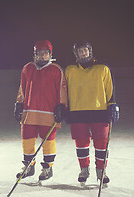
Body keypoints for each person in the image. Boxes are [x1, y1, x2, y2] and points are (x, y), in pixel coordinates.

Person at [65, 41, 119, 185]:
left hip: (99, 111)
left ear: (90, 51)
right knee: (81, 144)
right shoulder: (70, 70)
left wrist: (112, 105)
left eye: (85, 50)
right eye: (80, 51)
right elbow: (64, 91)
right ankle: (84, 169)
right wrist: (63, 106)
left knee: (101, 144)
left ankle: (101, 171)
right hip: (77, 111)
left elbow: (110, 89)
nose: (83, 53)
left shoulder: (103, 68)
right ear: (76, 54)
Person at [14, 40, 67, 181]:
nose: (42, 56)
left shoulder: (56, 70)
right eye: (39, 53)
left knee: (48, 141)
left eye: (45, 53)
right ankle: (28, 166)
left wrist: (62, 106)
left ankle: (47, 167)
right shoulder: (28, 68)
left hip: (49, 114)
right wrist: (19, 104)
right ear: (35, 54)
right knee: (27, 140)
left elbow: (62, 90)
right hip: (29, 112)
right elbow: (22, 88)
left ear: (50, 54)